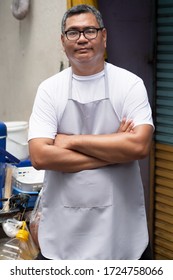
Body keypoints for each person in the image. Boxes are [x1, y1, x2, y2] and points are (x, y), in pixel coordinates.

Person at [28, 4, 154, 260]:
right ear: (63, 41)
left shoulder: (130, 85)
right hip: (64, 232)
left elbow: (139, 147)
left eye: (90, 31)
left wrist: (68, 140)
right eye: (73, 33)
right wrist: (116, 150)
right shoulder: (49, 90)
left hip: (121, 229)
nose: (82, 38)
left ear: (104, 36)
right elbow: (40, 157)